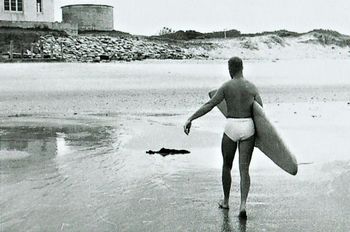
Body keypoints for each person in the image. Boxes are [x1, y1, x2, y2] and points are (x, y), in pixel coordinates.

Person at [183, 57, 263, 218]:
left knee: (227, 165)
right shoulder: (252, 87)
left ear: (230, 69)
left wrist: (191, 118)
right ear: (242, 68)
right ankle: (243, 205)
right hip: (248, 127)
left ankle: (226, 201)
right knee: (244, 169)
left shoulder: (226, 86)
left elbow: (210, 105)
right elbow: (261, 112)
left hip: (231, 126)